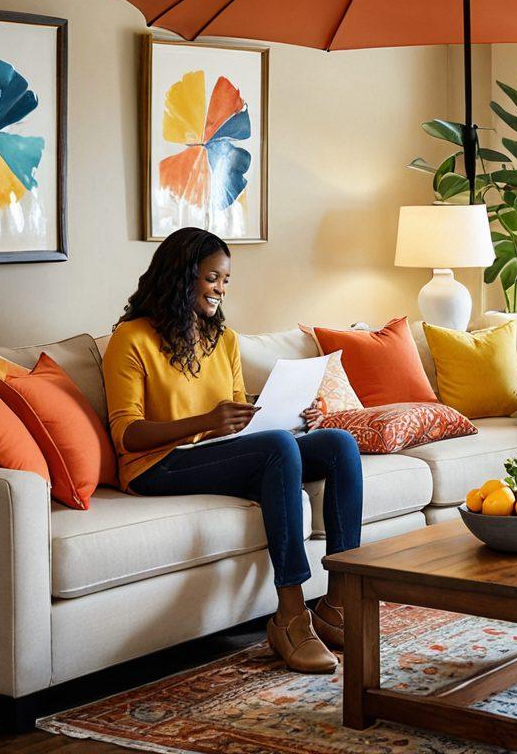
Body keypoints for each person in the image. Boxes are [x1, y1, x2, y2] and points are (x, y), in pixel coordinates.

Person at [103, 227, 363, 674]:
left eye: (225, 280)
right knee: (278, 448)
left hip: (219, 451)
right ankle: (290, 615)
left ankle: (337, 604)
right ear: (182, 277)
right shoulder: (131, 339)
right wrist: (206, 422)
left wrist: (299, 417)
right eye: (212, 278)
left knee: (338, 443)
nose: (221, 289)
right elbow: (126, 434)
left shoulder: (223, 340)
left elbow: (244, 415)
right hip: (157, 464)